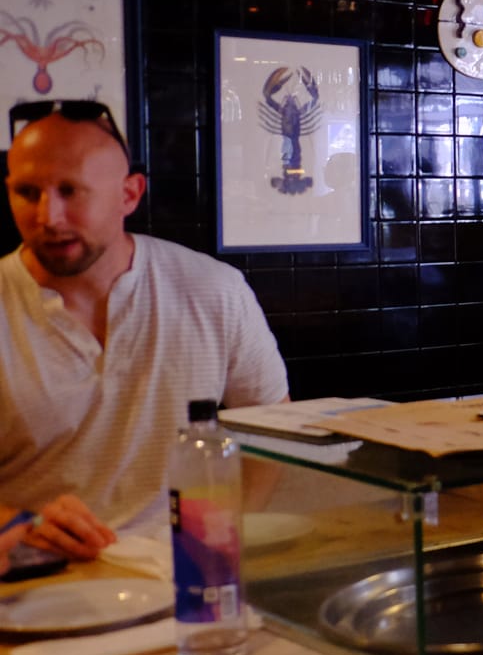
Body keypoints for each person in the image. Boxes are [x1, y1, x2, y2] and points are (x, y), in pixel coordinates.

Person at [0, 100, 289, 559]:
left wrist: (229, 537)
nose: (48, 217)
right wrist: (15, 523)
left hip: (182, 569)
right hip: (33, 576)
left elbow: (274, 424)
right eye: (28, 192)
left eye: (71, 191)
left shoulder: (214, 289)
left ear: (129, 195)